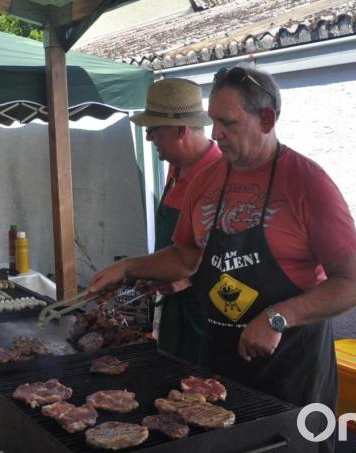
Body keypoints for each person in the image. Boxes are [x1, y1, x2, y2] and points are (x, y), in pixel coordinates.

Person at [88, 66, 356, 451]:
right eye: (213, 121)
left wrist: (276, 318)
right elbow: (186, 256)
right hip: (220, 371)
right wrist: (127, 267)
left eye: (227, 123)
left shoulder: (308, 183)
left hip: (293, 375)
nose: (217, 134)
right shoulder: (206, 181)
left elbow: (353, 285)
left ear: (266, 119)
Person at [129, 78, 222, 365]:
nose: (149, 139)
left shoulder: (222, 176)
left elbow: (236, 255)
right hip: (173, 308)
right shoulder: (175, 168)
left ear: (181, 130)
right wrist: (154, 272)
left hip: (208, 316)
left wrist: (189, 277)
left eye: (153, 131)